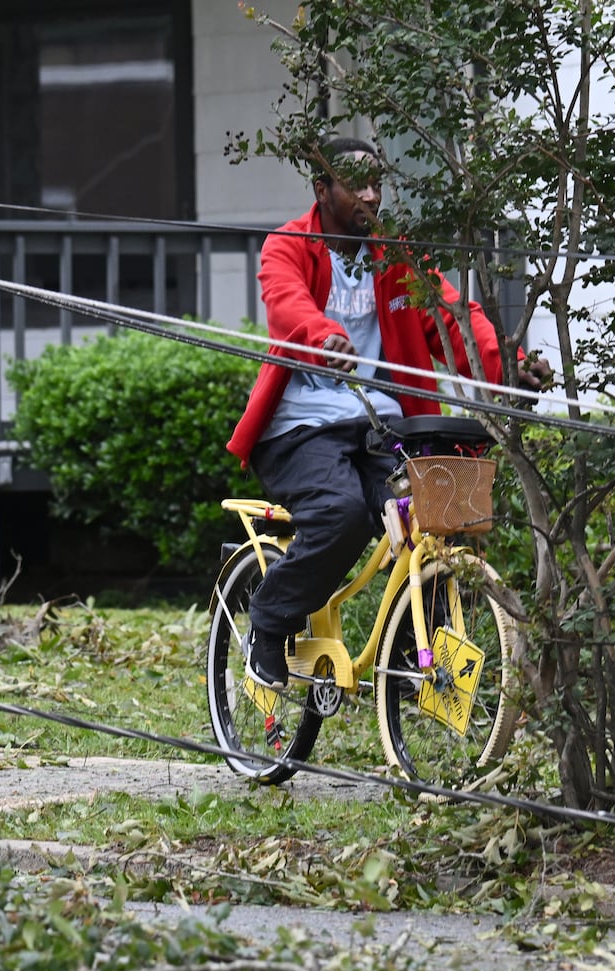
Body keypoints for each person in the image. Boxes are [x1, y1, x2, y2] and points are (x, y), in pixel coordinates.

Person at [226, 136, 549, 690]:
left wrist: (510, 367)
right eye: (356, 185)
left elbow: (454, 317)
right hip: (301, 427)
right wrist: (325, 337)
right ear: (322, 188)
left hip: (380, 425)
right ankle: (270, 618)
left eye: (378, 184)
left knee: (437, 513)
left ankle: (410, 653)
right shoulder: (287, 246)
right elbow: (287, 304)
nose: (371, 196)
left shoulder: (397, 255)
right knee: (343, 514)